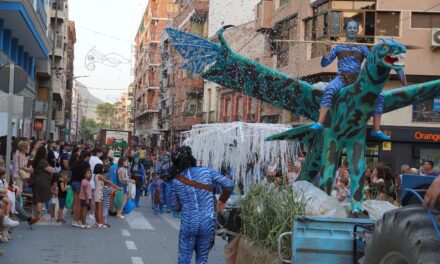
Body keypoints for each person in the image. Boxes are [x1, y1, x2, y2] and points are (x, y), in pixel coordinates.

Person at [310, 19, 389, 140]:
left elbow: (373, 62)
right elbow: (324, 64)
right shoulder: (337, 47)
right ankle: (320, 122)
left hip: (357, 80)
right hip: (341, 78)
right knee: (330, 89)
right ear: (345, 30)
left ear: (357, 31)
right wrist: (325, 49)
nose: (352, 30)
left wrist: (382, 52)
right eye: (350, 28)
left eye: (354, 28)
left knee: (380, 96)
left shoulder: (362, 48)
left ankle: (376, 129)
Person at [169, 146, 234, 264]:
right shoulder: (206, 171)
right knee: (202, 260)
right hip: (207, 222)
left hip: (189, 222)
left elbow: (173, 206)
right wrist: (222, 200)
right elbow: (229, 184)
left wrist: (182, 204)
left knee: (184, 259)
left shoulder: (176, 181)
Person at [32, 146, 55, 220]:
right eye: (46, 150)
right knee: (40, 199)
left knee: (38, 199)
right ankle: (39, 216)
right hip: (43, 182)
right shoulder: (43, 161)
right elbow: (51, 170)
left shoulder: (37, 160)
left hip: (38, 181)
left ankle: (37, 216)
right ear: (43, 152)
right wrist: (53, 168)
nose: (47, 152)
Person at [71, 150, 91, 227]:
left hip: (74, 183)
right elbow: (87, 175)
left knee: (75, 202)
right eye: (89, 157)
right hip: (80, 183)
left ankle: (74, 220)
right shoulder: (86, 164)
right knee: (79, 203)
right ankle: (77, 220)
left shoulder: (77, 162)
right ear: (87, 157)